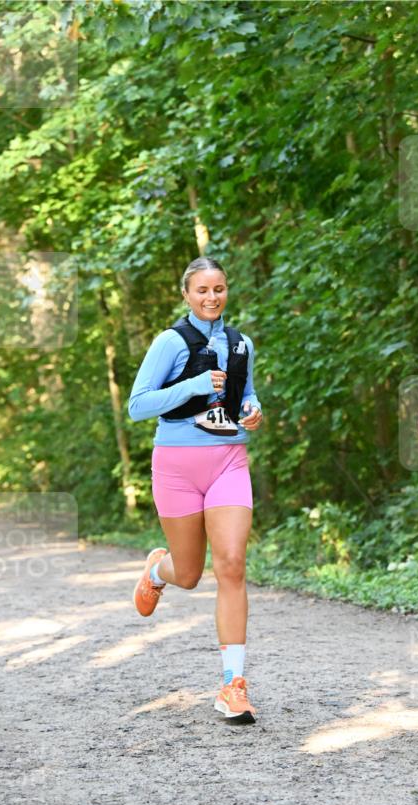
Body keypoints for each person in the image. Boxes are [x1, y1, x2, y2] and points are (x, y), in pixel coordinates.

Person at [128, 256, 263, 722]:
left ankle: (232, 685)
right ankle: (157, 572)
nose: (212, 298)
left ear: (227, 291)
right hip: (177, 465)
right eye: (202, 290)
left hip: (229, 461)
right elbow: (138, 406)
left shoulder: (241, 342)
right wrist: (191, 385)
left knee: (231, 563)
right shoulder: (169, 342)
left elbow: (245, 394)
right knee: (189, 573)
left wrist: (252, 410)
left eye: (219, 289)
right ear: (186, 294)